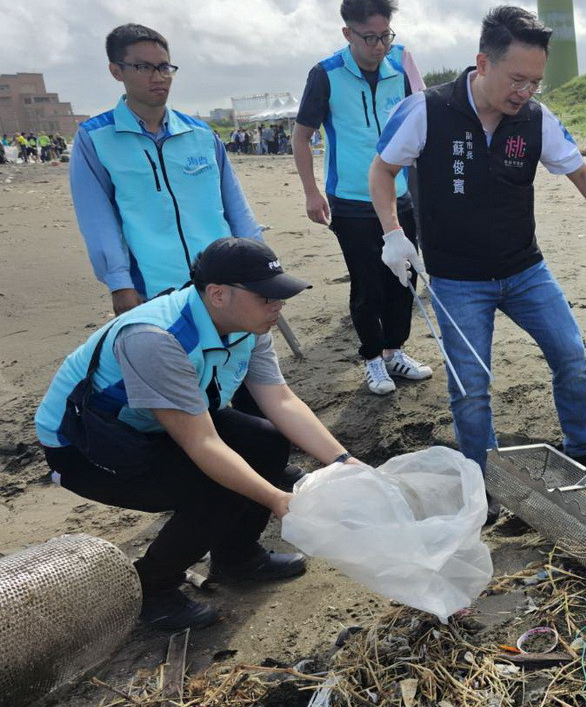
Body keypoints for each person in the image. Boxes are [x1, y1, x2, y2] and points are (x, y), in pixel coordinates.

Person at [368, 5, 586, 476]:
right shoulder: (427, 110)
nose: (525, 91)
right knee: (470, 386)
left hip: (525, 270)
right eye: (516, 79)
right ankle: (484, 476)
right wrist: (393, 234)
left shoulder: (535, 119)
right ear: (483, 63)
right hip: (457, 279)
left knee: (570, 355)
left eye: (535, 82)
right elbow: (382, 170)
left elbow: (579, 171)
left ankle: (583, 449)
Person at [34, 238, 360, 630]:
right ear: (218, 294)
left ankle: (236, 556)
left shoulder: (249, 324)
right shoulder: (155, 339)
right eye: (267, 297)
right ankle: (153, 587)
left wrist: (344, 461)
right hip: (88, 443)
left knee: (267, 441)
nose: (279, 306)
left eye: (280, 295)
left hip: (163, 421)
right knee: (218, 488)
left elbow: (280, 399)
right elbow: (201, 444)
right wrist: (276, 499)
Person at [294, 0, 432, 395]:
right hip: (350, 199)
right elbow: (302, 137)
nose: (379, 45)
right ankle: (372, 359)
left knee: (404, 276)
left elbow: (420, 125)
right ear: (347, 33)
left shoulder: (398, 66)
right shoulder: (326, 74)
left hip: (399, 193)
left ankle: (394, 351)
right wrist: (311, 192)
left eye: (385, 35)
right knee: (367, 281)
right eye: (369, 37)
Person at [69, 23, 263, 316]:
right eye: (143, 67)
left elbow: (234, 204)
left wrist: (257, 258)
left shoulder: (199, 133)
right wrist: (119, 283)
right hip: (152, 286)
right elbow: (97, 218)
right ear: (116, 71)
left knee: (237, 355)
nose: (158, 77)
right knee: (175, 359)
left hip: (223, 278)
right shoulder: (96, 138)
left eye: (164, 67)